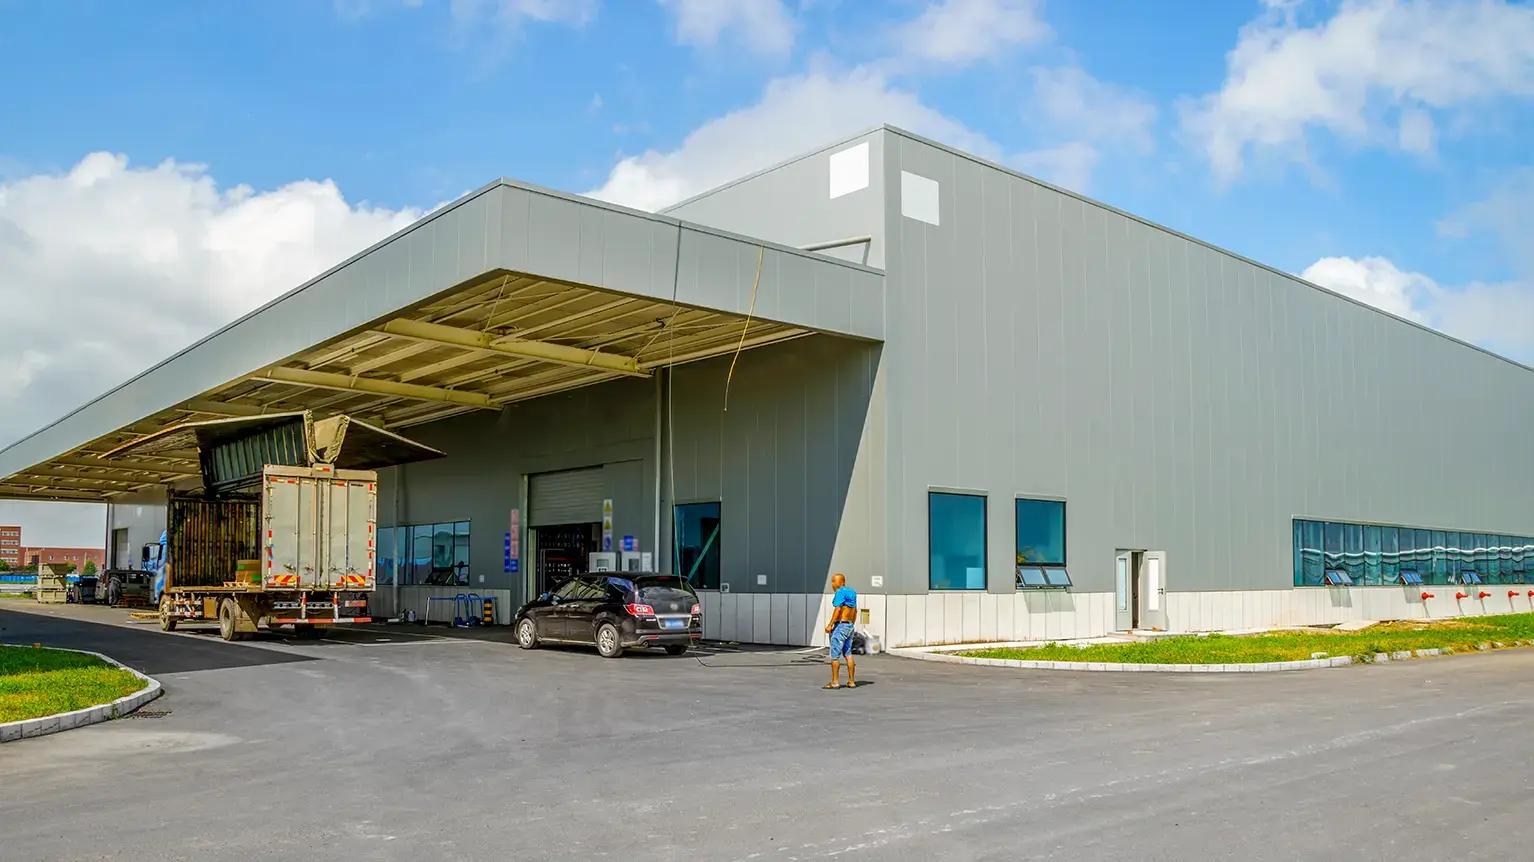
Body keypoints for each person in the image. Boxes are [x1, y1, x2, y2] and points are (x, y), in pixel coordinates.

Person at [823, 572, 857, 689]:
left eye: (834, 581)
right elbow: (855, 610)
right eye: (832, 581)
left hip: (841, 626)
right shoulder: (852, 592)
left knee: (834, 655)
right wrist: (852, 624)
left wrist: (830, 625)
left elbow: (838, 610)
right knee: (848, 654)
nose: (833, 584)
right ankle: (851, 681)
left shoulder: (839, 592)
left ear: (842, 582)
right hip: (849, 626)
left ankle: (835, 682)